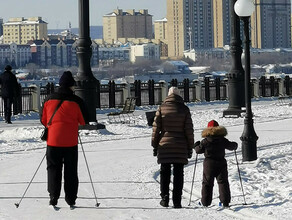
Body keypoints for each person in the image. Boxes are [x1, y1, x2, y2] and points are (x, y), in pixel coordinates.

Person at [40, 71, 88, 207]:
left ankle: (53, 196)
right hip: (70, 142)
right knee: (71, 170)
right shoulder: (77, 101)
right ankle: (71, 198)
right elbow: (83, 121)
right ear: (71, 86)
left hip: (53, 141)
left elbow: (43, 120)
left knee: (53, 168)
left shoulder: (48, 99)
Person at [151, 86, 194, 208]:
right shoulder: (184, 109)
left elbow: (156, 129)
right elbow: (189, 130)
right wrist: (190, 146)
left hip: (164, 145)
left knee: (164, 172)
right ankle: (177, 201)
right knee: (178, 173)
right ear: (179, 95)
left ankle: (164, 198)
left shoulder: (162, 108)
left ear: (168, 95)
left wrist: (155, 145)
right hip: (180, 146)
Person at [194, 120, 238, 208]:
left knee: (207, 183)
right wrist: (235, 144)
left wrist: (196, 145)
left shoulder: (205, 141)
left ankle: (205, 203)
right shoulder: (223, 140)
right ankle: (225, 202)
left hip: (209, 163)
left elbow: (198, 151)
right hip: (221, 162)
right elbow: (232, 146)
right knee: (223, 182)